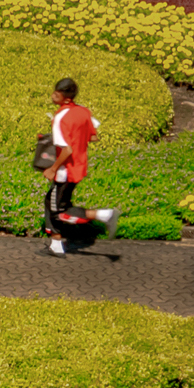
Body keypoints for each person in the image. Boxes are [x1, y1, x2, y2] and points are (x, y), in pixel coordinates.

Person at [42, 77, 120, 256]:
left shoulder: (60, 118)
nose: (53, 96)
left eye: (57, 94)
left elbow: (67, 149)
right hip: (79, 167)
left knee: (58, 211)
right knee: (53, 202)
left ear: (66, 98)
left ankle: (104, 216)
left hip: (64, 171)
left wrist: (53, 168)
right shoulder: (84, 111)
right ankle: (56, 244)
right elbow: (93, 136)